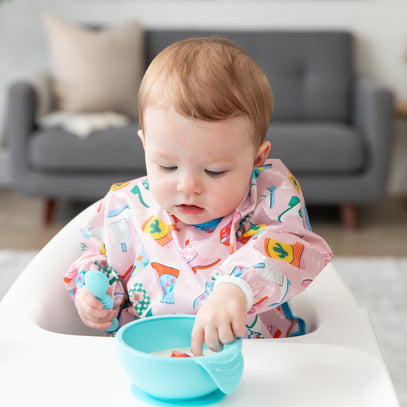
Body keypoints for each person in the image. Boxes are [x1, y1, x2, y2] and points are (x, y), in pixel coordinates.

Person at [64, 37, 333, 356]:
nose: (187, 186)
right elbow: (98, 258)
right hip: (155, 356)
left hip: (258, 357)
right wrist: (93, 291)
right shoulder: (126, 205)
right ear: (145, 146)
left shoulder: (268, 195)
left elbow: (295, 247)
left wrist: (238, 288)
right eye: (167, 165)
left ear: (256, 160)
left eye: (215, 171)